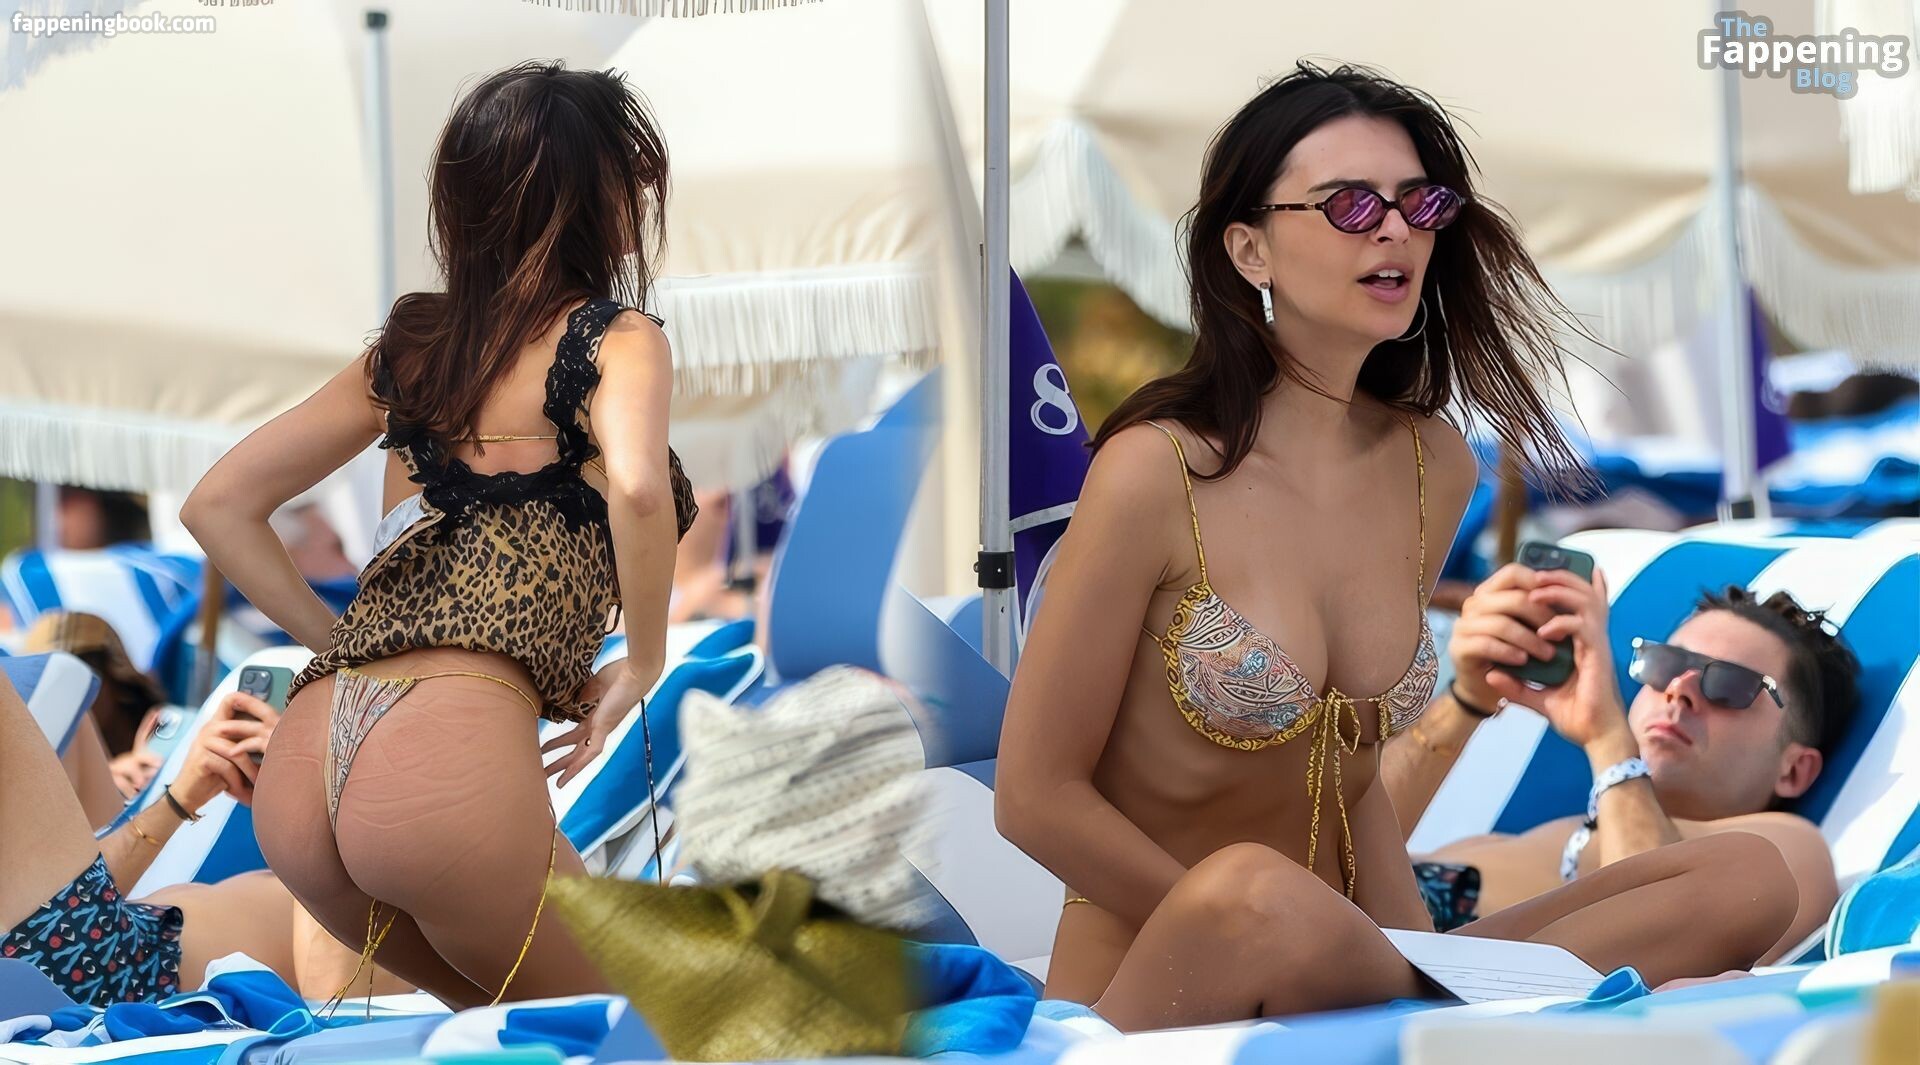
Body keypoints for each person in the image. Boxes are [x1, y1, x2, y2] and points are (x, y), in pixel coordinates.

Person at [993, 61, 1797, 1032]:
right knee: (1254, 890)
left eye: (1419, 202)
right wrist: (1261, 931)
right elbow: (1034, 797)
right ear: (1248, 248)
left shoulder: (1431, 466)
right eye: (1350, 204)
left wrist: (1409, 954)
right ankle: (1420, 1003)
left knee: (1748, 872)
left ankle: (1420, 1010)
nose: (1396, 230)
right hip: (1163, 984)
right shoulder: (1152, 471)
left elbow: (1356, 773)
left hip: (1355, 962)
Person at [182, 60, 698, 1009]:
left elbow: (217, 504)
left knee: (515, 1031)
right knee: (636, 1028)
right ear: (595, 196)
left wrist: (344, 645)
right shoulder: (618, 338)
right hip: (439, 767)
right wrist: (645, 661)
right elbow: (635, 487)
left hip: (308, 763)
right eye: (631, 176)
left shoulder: (412, 353)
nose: (641, 197)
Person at [1388, 571, 1860, 961]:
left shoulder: (1784, 851)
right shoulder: (1491, 843)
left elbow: (1646, 955)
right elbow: (1347, 845)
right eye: (1665, 664)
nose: (1679, 689)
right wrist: (1469, 698)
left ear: (1794, 771)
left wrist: (1607, 736)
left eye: (1730, 685)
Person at [0, 675, 407, 1006]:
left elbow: (80, 909)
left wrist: (182, 799)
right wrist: (313, 792)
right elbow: (344, 1014)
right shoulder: (365, 877)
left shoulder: (371, 882)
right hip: (102, 967)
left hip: (87, 965)